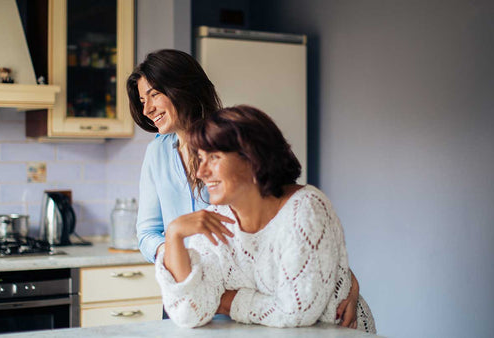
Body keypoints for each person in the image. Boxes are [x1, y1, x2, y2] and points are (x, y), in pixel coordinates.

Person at [127, 49, 361, 327]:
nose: (147, 109)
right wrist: (180, 255)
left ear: (182, 88)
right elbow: (147, 233)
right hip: (191, 290)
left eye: (154, 95)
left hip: (257, 296)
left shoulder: (233, 137)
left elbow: (289, 222)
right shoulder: (157, 153)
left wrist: (344, 280)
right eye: (142, 100)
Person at [155, 105, 376, 332]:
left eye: (214, 157)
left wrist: (227, 301)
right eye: (200, 158)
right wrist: (174, 235)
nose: (201, 172)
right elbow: (190, 312)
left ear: (252, 158)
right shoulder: (217, 220)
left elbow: (297, 311)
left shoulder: (306, 208)